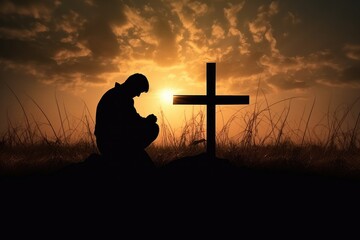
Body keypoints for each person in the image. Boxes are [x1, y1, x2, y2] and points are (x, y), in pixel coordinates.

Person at [94, 73, 159, 169]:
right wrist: (147, 121)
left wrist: (145, 121)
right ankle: (130, 153)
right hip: (111, 143)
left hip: (108, 141)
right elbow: (132, 122)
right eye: (139, 91)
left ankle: (132, 152)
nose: (138, 95)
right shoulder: (120, 97)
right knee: (153, 128)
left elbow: (133, 119)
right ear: (133, 85)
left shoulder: (117, 95)